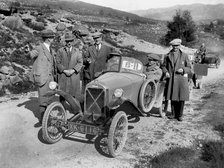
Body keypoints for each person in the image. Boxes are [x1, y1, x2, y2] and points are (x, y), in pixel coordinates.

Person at [29, 29, 57, 127]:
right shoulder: (39, 48)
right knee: (42, 98)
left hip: (50, 77)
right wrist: (27, 51)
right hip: (42, 77)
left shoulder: (51, 49)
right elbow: (31, 54)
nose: (53, 39)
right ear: (49, 39)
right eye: (52, 37)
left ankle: (47, 116)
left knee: (50, 96)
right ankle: (42, 119)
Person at [161, 38, 192, 121]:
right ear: (172, 46)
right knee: (173, 96)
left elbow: (189, 68)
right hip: (171, 79)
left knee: (181, 98)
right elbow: (163, 66)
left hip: (181, 79)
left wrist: (183, 70)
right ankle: (173, 114)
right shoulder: (167, 55)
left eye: (177, 45)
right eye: (174, 46)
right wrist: (166, 72)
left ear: (180, 46)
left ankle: (180, 115)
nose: (175, 47)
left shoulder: (184, 55)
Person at [56, 31, 83, 108]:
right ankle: (62, 109)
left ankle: (74, 109)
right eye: (67, 41)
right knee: (62, 93)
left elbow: (80, 63)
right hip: (63, 75)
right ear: (65, 41)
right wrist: (64, 70)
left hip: (73, 75)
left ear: (73, 41)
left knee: (73, 93)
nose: (69, 43)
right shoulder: (60, 51)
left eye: (71, 41)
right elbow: (57, 63)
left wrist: (73, 70)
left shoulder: (77, 51)